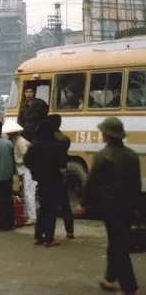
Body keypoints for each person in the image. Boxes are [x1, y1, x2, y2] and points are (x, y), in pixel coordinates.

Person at [77, 117, 141, 295]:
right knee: (117, 242)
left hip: (110, 207)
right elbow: (136, 184)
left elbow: (91, 183)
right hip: (128, 206)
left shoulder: (102, 156)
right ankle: (109, 278)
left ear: (107, 135)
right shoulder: (132, 155)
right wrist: (136, 206)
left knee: (118, 246)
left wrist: (84, 204)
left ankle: (130, 287)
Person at [24, 120, 68, 247]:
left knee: (43, 209)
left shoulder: (34, 146)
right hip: (54, 180)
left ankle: (39, 237)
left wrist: (36, 169)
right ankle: (49, 238)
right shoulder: (56, 146)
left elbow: (27, 162)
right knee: (51, 210)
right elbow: (62, 167)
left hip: (40, 181)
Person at [1, 120, 36, 226]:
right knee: (24, 193)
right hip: (21, 169)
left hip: (27, 169)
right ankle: (26, 215)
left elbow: (26, 158)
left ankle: (32, 217)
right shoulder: (15, 140)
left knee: (29, 193)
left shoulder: (20, 141)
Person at [47, 114, 74, 239]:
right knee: (65, 204)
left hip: (51, 173)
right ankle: (70, 231)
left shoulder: (47, 139)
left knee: (51, 206)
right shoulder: (65, 138)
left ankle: (49, 234)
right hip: (63, 172)